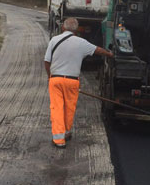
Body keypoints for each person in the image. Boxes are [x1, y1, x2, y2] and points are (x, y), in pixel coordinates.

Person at [44, 18, 113, 148]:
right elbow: (98, 50)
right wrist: (110, 54)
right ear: (76, 30)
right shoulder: (82, 43)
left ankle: (58, 140)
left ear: (63, 28)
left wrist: (50, 76)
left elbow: (47, 61)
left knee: (57, 108)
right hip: (72, 81)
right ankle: (66, 133)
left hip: (56, 80)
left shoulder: (54, 40)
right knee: (69, 108)